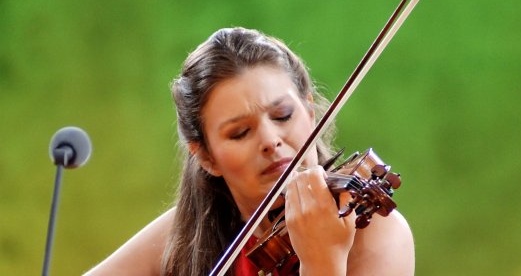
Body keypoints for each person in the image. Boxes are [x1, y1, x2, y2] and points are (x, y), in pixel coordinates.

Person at [85, 27, 415, 276]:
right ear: (206, 157)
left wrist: (322, 261)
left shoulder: (374, 232)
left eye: (283, 115)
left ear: (310, 113)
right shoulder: (193, 229)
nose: (270, 140)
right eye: (240, 132)